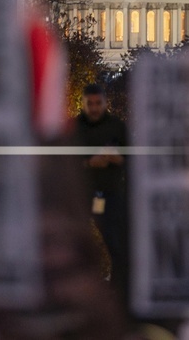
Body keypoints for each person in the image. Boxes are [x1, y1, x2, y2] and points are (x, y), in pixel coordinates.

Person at [72, 82, 129, 302]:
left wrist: (118, 159)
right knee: (81, 247)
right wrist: (89, 163)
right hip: (82, 195)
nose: (94, 108)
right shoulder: (75, 128)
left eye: (98, 103)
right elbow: (64, 163)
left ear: (105, 103)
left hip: (111, 193)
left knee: (116, 244)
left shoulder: (117, 127)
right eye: (90, 104)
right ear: (84, 104)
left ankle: (114, 293)